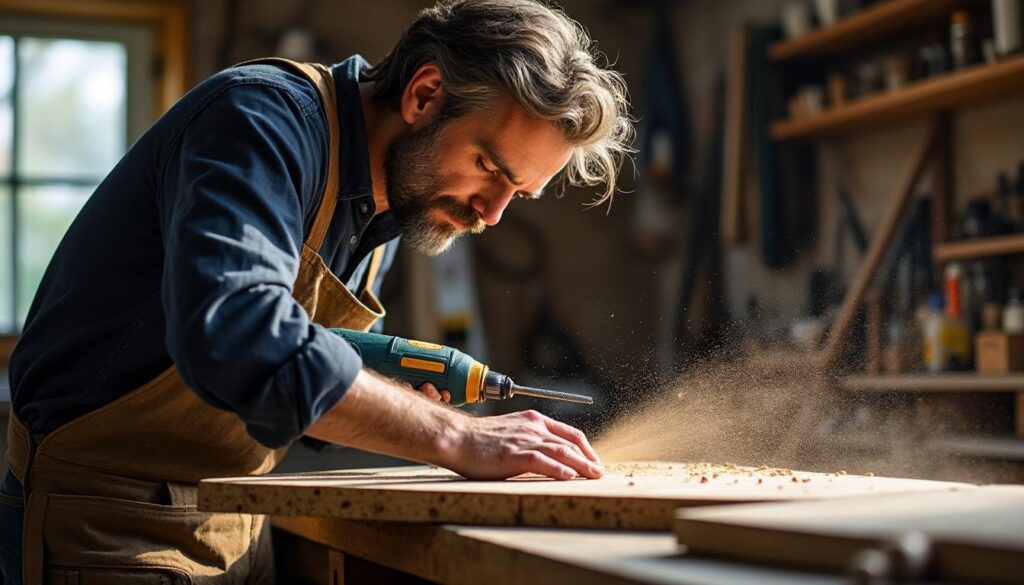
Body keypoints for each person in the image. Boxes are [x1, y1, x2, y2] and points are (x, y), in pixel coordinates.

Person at [0, 0, 633, 582]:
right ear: (425, 93)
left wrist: (396, 395)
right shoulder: (261, 123)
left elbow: (309, 374)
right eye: (490, 168)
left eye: (516, 194)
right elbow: (240, 337)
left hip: (236, 525)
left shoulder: (390, 203)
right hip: (106, 524)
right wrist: (457, 435)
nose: (492, 214)